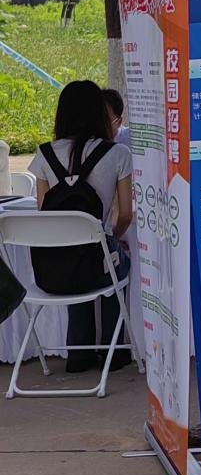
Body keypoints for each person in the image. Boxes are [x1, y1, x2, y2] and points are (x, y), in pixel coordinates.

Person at [27, 80, 133, 373]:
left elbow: (45, 215)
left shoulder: (44, 154)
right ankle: (114, 351)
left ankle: (78, 353)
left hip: (53, 275)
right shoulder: (118, 154)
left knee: (73, 252)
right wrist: (113, 238)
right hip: (98, 265)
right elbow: (126, 214)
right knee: (114, 259)